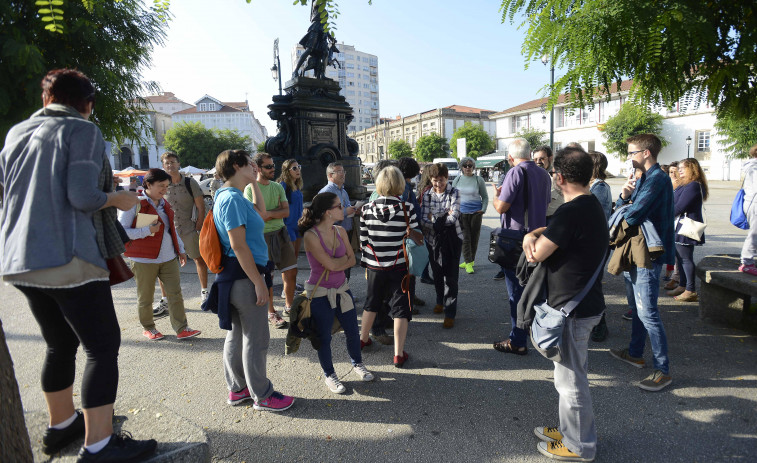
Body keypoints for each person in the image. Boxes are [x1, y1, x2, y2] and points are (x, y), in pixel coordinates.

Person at [0, 69, 156, 461]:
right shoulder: (83, 131)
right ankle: (99, 445)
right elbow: (83, 196)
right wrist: (117, 199)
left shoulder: (16, 134)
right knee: (102, 347)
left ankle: (62, 426)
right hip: (67, 256)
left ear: (46, 100)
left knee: (60, 343)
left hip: (19, 259)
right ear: (87, 104)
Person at [522, 147, 607, 463]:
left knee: (571, 383)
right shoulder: (589, 204)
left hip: (572, 309)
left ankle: (580, 446)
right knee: (568, 378)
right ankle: (570, 432)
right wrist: (542, 232)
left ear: (558, 177)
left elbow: (536, 254)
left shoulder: (571, 211)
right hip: (580, 305)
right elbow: (563, 234)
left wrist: (529, 237)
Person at [209, 149, 295, 412]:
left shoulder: (233, 196)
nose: (255, 167)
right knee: (256, 339)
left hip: (238, 276)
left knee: (237, 336)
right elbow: (239, 245)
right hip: (244, 276)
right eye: (249, 164)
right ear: (236, 166)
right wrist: (259, 282)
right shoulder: (231, 199)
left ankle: (239, 389)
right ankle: (263, 395)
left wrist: (255, 183)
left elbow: (259, 213)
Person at [609, 133, 674, 392]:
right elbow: (627, 207)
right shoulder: (645, 178)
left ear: (646, 153)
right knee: (638, 307)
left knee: (648, 312)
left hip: (649, 253)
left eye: (632, 153)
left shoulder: (657, 178)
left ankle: (664, 371)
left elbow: (634, 215)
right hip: (636, 251)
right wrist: (625, 196)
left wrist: (625, 206)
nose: (629, 157)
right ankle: (635, 352)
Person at [298, 193, 375, 393]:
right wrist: (340, 264)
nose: (344, 209)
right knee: (324, 337)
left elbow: (353, 260)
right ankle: (329, 375)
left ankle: (357, 363)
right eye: (339, 206)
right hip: (320, 293)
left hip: (342, 290)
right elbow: (335, 263)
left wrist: (338, 265)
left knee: (352, 331)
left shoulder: (340, 231)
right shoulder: (310, 235)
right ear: (328, 212)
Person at [118, 168, 201, 341]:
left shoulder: (165, 204)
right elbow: (121, 232)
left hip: (168, 256)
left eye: (167, 187)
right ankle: (148, 327)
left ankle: (181, 328)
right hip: (143, 259)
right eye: (161, 186)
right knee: (146, 296)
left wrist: (181, 250)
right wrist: (147, 230)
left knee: (175, 294)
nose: (165, 190)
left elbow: (172, 229)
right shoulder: (134, 204)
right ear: (148, 184)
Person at [492, 138, 551, 355]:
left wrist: (496, 197)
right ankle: (540, 335)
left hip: (517, 239)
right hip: (539, 236)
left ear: (510, 157)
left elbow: (502, 207)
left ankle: (517, 339)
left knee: (516, 292)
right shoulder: (544, 174)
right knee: (536, 289)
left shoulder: (515, 172)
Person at [359, 166, 421, 367]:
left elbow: (363, 242)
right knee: (400, 308)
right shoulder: (407, 209)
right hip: (399, 265)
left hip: (374, 265)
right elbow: (414, 236)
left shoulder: (366, 209)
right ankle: (398, 354)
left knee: (371, 302)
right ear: (399, 184)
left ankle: (363, 339)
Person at [154, 152, 208, 316]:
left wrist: (199, 225)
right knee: (163, 265)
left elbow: (200, 206)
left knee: (199, 259)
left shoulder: (189, 182)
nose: (170, 165)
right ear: (163, 166)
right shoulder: (162, 184)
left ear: (178, 164)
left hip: (188, 228)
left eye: (172, 162)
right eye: (166, 163)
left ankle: (205, 292)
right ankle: (165, 299)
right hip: (168, 231)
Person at [245, 153, 296, 328]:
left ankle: (289, 307)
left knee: (290, 271)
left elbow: (286, 212)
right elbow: (256, 216)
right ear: (258, 168)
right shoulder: (250, 189)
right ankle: (271, 312)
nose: (272, 169)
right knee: (268, 276)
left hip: (281, 233)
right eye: (268, 166)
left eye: (273, 165)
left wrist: (268, 213)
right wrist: (271, 213)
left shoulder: (278, 187)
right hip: (262, 237)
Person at [421, 163, 463, 328]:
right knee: (437, 273)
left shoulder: (455, 192)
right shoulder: (427, 195)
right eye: (435, 180)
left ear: (447, 178)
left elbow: (454, 218)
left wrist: (434, 218)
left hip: (453, 240)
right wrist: (443, 216)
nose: (438, 184)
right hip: (432, 240)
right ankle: (440, 300)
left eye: (442, 180)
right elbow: (424, 220)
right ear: (430, 180)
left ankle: (450, 311)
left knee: (451, 276)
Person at [667, 158, 708, 302]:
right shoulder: (686, 185)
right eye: (679, 168)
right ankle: (683, 285)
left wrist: (663, 217)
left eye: (683, 168)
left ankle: (691, 290)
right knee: (680, 258)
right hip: (680, 225)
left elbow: (679, 207)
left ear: (692, 169)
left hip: (686, 226)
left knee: (685, 259)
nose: (680, 171)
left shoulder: (693, 185)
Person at [587, 150, 612, 342]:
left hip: (596, 242)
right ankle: (593, 322)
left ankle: (601, 325)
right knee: (589, 284)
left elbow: (595, 216)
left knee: (593, 285)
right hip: (591, 241)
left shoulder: (600, 187)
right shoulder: (593, 185)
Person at [319, 162, 358, 280]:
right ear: (330, 175)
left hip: (346, 230)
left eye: (343, 171)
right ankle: (337, 291)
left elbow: (345, 208)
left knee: (346, 261)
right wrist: (347, 211)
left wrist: (355, 210)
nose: (343, 174)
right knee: (337, 262)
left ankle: (344, 289)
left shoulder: (343, 191)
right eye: (339, 172)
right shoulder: (327, 192)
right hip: (333, 232)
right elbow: (325, 214)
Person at [451, 156, 488, 274]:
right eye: (465, 166)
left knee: (474, 238)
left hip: (476, 214)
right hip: (461, 213)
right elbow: (452, 196)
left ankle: (470, 260)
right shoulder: (457, 180)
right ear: (461, 167)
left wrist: (483, 210)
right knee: (465, 238)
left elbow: (485, 197)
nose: (468, 168)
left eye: (470, 166)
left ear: (473, 167)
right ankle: (468, 263)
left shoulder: (478, 180)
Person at [278, 159, 305, 258]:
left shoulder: (297, 186)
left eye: (299, 167)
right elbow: (279, 206)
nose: (298, 170)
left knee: (295, 257)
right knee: (290, 259)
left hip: (298, 225)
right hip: (288, 226)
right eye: (294, 168)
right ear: (287, 171)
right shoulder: (283, 185)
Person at [533, 146, 564, 223]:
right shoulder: (535, 175)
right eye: (535, 159)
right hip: (539, 219)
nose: (538, 162)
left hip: (553, 219)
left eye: (542, 159)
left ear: (550, 158)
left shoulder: (556, 175)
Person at [739, 144, 757, 275]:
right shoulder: (754, 168)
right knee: (754, 234)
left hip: (751, 202)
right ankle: (746, 262)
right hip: (754, 204)